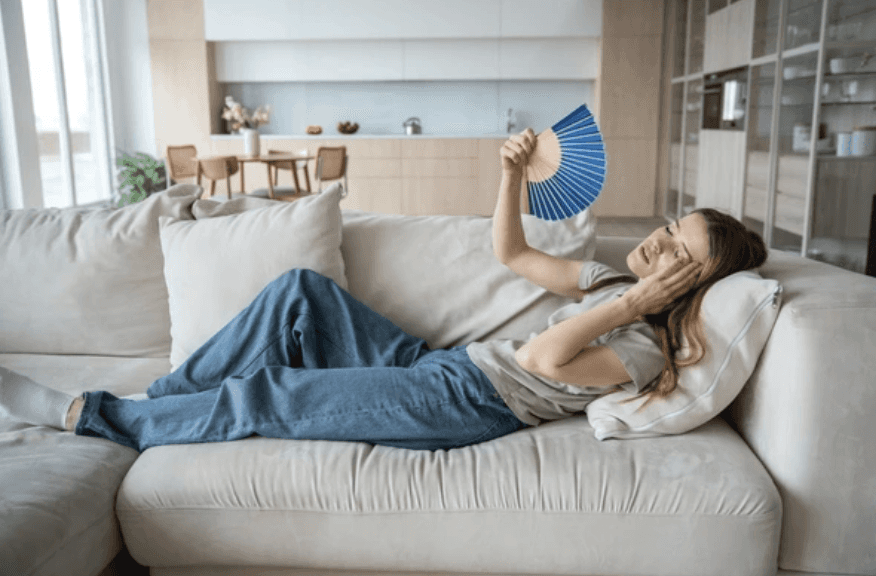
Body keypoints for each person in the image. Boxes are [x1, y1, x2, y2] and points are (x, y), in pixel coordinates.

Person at [0, 129, 767, 452]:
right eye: (670, 225)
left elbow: (543, 354)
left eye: (678, 253)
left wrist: (635, 304)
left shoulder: (637, 342)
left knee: (275, 393)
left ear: (689, 287)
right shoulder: (609, 278)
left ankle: (95, 418)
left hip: (467, 404)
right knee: (300, 293)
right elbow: (512, 251)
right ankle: (160, 405)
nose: (658, 242)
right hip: (441, 362)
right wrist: (507, 174)